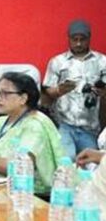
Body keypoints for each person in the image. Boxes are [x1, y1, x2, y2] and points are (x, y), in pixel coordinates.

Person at [0, 72, 65, 196]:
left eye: (5, 93)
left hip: (30, 195)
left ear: (23, 98)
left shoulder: (35, 125)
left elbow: (20, 167)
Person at [43, 20, 106, 160]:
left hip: (90, 127)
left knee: (91, 164)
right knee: (66, 160)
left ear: (89, 38)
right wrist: (59, 90)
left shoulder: (102, 61)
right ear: (69, 39)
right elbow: (46, 93)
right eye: (74, 39)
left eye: (82, 39)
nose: (78, 43)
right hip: (64, 124)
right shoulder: (57, 62)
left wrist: (102, 91)